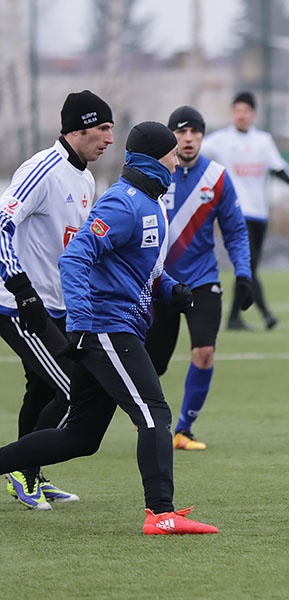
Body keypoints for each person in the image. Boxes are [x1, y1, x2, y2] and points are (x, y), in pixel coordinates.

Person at [0, 121, 218, 534]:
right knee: (153, 412)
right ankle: (160, 513)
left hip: (118, 328)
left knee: (81, 437)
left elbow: (142, 269)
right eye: (171, 152)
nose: (177, 158)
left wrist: (172, 291)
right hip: (105, 329)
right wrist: (81, 325)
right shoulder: (123, 203)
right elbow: (75, 259)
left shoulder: (151, 203)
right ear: (156, 157)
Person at [0, 90, 114, 509]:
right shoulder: (42, 169)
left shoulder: (84, 176)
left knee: (42, 391)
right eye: (103, 128)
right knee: (70, 389)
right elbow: (1, 225)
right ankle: (21, 469)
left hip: (58, 304)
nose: (109, 138)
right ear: (78, 128)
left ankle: (29, 473)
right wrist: (20, 287)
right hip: (17, 305)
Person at [145, 106, 254, 452]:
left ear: (203, 136)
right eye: (181, 132)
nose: (188, 138)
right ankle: (143, 423)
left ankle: (183, 430)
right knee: (152, 365)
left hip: (203, 281)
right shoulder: (155, 174)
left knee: (204, 351)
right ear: (171, 136)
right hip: (160, 282)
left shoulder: (218, 177)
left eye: (194, 132)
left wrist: (244, 274)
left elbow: (236, 231)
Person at [202, 91, 289, 331]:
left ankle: (233, 318)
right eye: (237, 110)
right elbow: (192, 153)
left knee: (250, 268)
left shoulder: (263, 141)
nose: (241, 115)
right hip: (236, 212)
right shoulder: (220, 140)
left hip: (260, 213)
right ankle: (266, 314)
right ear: (232, 113)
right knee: (247, 265)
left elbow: (279, 167)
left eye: (246, 111)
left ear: (253, 114)